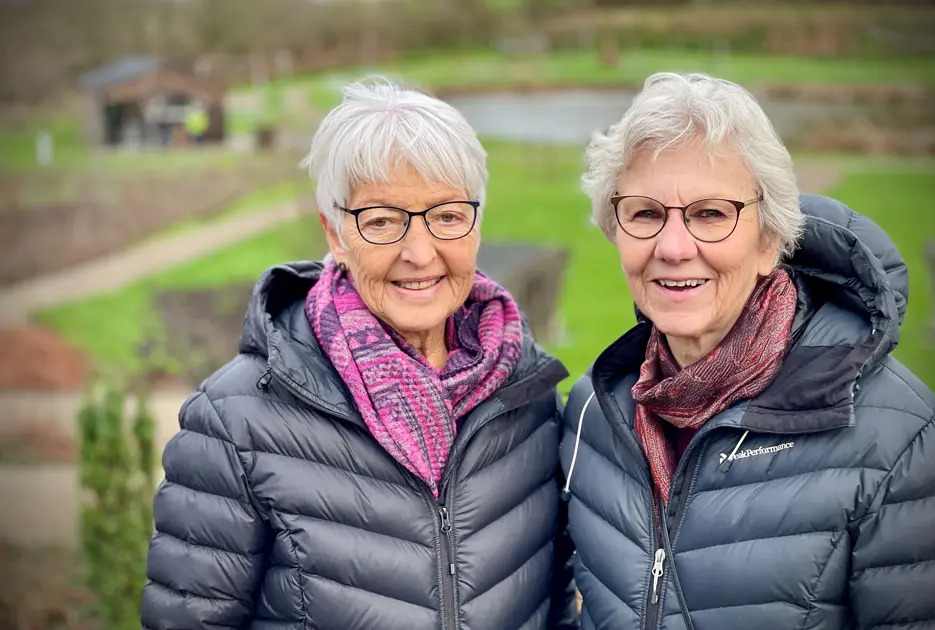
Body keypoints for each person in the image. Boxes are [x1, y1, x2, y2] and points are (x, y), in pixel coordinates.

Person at [141, 79, 577, 630]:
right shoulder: (233, 424)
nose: (418, 253)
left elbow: (555, 608)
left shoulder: (527, 395)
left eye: (446, 216)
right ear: (335, 234)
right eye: (381, 221)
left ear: (476, 224)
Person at [561, 72, 935, 629]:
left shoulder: (894, 434)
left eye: (711, 214)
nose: (672, 247)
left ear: (769, 240)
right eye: (644, 213)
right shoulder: (595, 410)